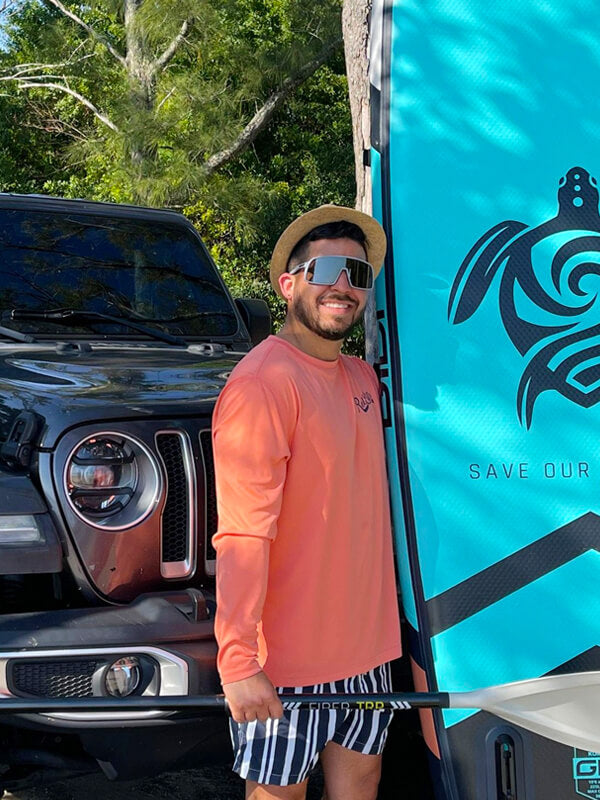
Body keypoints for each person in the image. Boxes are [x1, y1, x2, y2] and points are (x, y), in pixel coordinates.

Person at [212, 205, 402, 800]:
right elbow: (243, 534)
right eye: (325, 269)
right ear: (289, 282)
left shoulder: (362, 379)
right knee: (279, 795)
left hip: (369, 651)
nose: (342, 285)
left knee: (362, 782)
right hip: (286, 663)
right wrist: (239, 661)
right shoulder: (262, 385)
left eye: (357, 273)